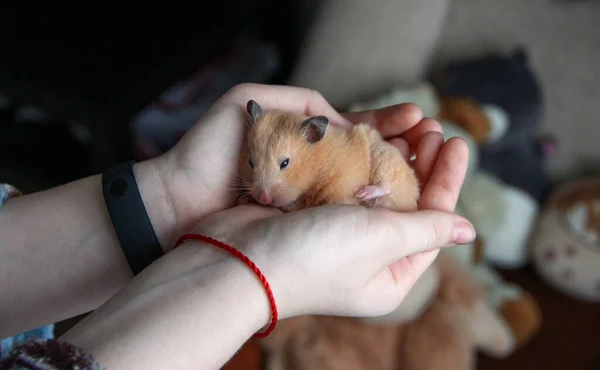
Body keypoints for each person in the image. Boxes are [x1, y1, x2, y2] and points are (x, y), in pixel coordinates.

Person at [0, 83, 473, 370]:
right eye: (250, 164)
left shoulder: (338, 149)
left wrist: (163, 201)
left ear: (314, 137)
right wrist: (239, 271)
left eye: (283, 165)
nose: (262, 191)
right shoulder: (267, 164)